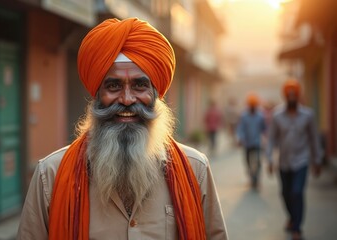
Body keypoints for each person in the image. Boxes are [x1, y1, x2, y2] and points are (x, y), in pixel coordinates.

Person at [17, 18, 228, 240]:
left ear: (156, 95)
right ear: (97, 94)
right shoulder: (50, 175)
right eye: (113, 85)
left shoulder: (196, 171)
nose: (127, 99)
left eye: (139, 85)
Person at [266, 78, 323, 240]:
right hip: (284, 162)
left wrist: (317, 160)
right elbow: (271, 139)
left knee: (297, 193)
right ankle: (292, 218)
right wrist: (269, 158)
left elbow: (314, 138)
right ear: (285, 95)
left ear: (298, 95)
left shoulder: (308, 115)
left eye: (294, 94)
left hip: (301, 161)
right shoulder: (277, 115)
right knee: (285, 193)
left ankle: (297, 228)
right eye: (288, 94)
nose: (291, 97)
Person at [236, 93, 266, 189]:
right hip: (247, 143)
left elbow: (264, 128)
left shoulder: (260, 116)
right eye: (251, 105)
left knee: (257, 161)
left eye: (254, 105)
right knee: (248, 161)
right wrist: (240, 138)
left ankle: (256, 179)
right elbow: (240, 128)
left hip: (257, 142)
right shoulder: (244, 116)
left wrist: (265, 138)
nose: (253, 106)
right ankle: (251, 177)